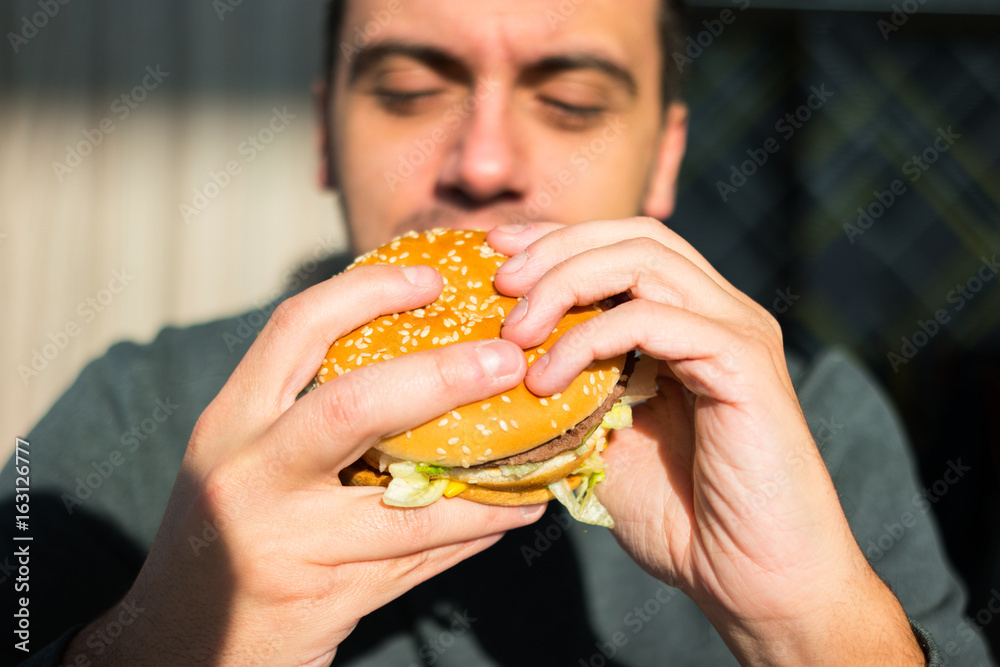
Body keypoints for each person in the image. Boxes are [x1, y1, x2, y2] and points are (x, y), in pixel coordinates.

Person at [4, 0, 995, 665]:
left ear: (665, 158)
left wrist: (809, 624)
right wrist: (162, 635)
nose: (482, 163)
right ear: (322, 134)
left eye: (568, 103)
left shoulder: (804, 418)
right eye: (406, 90)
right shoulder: (135, 411)